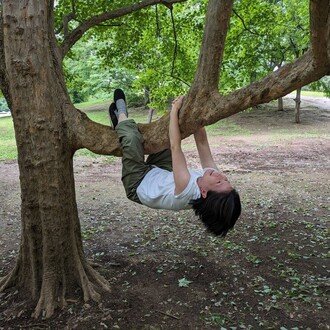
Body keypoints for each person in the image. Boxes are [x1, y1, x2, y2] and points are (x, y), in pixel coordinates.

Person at [109, 89, 241, 237]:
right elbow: (202, 143)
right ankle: (121, 126)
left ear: (203, 192)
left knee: (132, 137)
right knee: (165, 132)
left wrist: (175, 109)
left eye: (219, 182)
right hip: (162, 173)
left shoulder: (186, 187)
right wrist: (196, 112)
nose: (221, 176)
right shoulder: (212, 180)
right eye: (226, 179)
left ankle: (121, 115)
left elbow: (175, 146)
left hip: (138, 184)